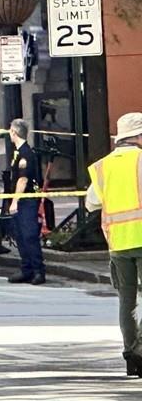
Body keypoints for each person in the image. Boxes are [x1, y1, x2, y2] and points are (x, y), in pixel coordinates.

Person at [86, 112, 142, 374]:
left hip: (118, 243)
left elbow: (91, 202)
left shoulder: (102, 166)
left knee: (127, 301)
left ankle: (132, 354)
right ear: (139, 136)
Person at [5, 118, 45, 285]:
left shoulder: (25, 154)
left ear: (14, 132)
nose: (9, 133)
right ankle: (26, 269)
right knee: (20, 236)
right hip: (21, 200)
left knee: (29, 236)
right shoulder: (17, 152)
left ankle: (38, 271)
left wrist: (15, 201)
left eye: (10, 130)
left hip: (26, 200)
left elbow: (23, 180)